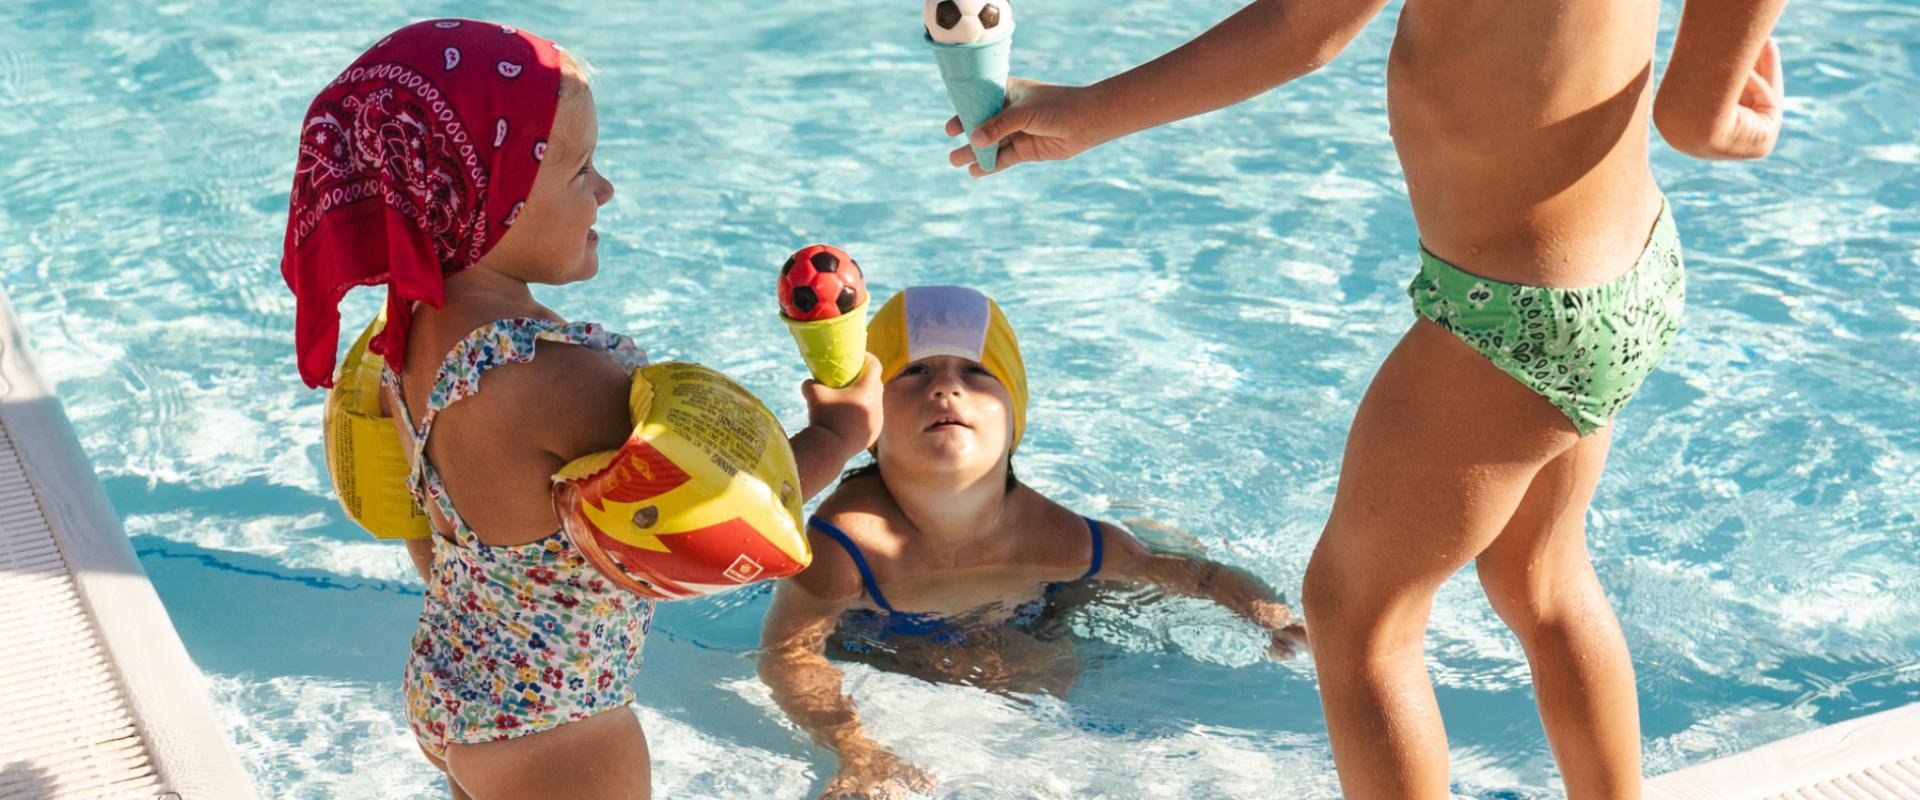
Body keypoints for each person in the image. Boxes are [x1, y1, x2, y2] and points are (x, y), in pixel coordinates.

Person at [943, 0, 1787, 795]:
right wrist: (1711, 116)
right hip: (1626, 272)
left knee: (1358, 622)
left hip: (1513, 314)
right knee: (1544, 581)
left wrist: (1086, 115)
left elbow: (1305, 26)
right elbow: (1691, 119)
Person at [278, 20, 881, 798]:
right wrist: (839, 430)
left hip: (459, 683)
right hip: (561, 724)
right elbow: (720, 510)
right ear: (486, 195)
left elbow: (436, 529)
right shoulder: (554, 379)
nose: (606, 189)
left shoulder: (412, 336)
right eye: (580, 170)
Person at [759, 285, 1305, 799]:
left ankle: (1143, 518)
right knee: (980, 669)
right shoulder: (847, 542)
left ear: (1015, 415)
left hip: (1035, 612)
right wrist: (857, 751)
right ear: (870, 419)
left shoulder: (1058, 537)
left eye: (975, 372)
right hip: (888, 642)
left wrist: (1269, 615)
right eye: (916, 370)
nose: (944, 388)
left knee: (1043, 664)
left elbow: (1192, 575)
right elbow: (788, 655)